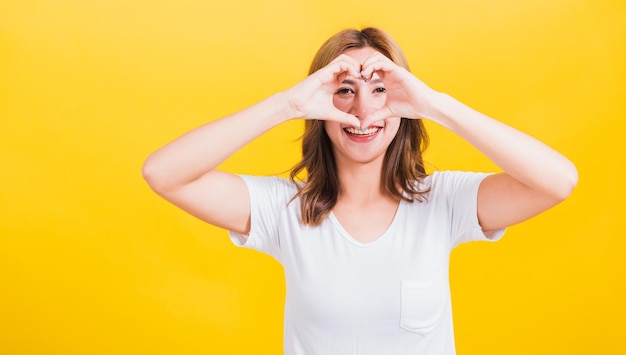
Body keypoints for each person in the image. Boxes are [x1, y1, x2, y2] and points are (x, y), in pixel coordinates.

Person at [142, 27, 577, 354]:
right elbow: (163, 173)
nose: (363, 110)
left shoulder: (444, 202)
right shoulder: (285, 209)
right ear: (321, 107)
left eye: (381, 90)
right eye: (345, 91)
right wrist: (289, 105)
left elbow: (559, 181)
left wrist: (434, 105)